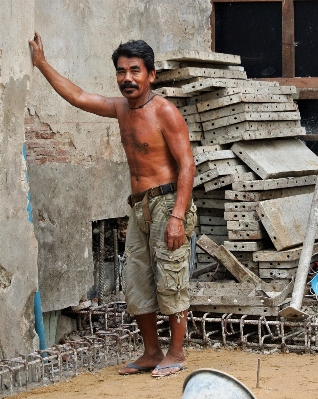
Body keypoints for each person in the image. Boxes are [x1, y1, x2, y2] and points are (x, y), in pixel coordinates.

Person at [29, 33, 196, 378]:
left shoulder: (165, 111)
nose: (127, 79)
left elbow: (187, 165)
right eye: (121, 72)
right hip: (138, 207)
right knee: (136, 282)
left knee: (171, 279)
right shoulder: (121, 108)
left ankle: (176, 353)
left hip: (168, 204)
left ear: (151, 75)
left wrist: (178, 215)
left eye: (135, 70)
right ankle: (151, 353)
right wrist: (42, 64)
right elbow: (78, 96)